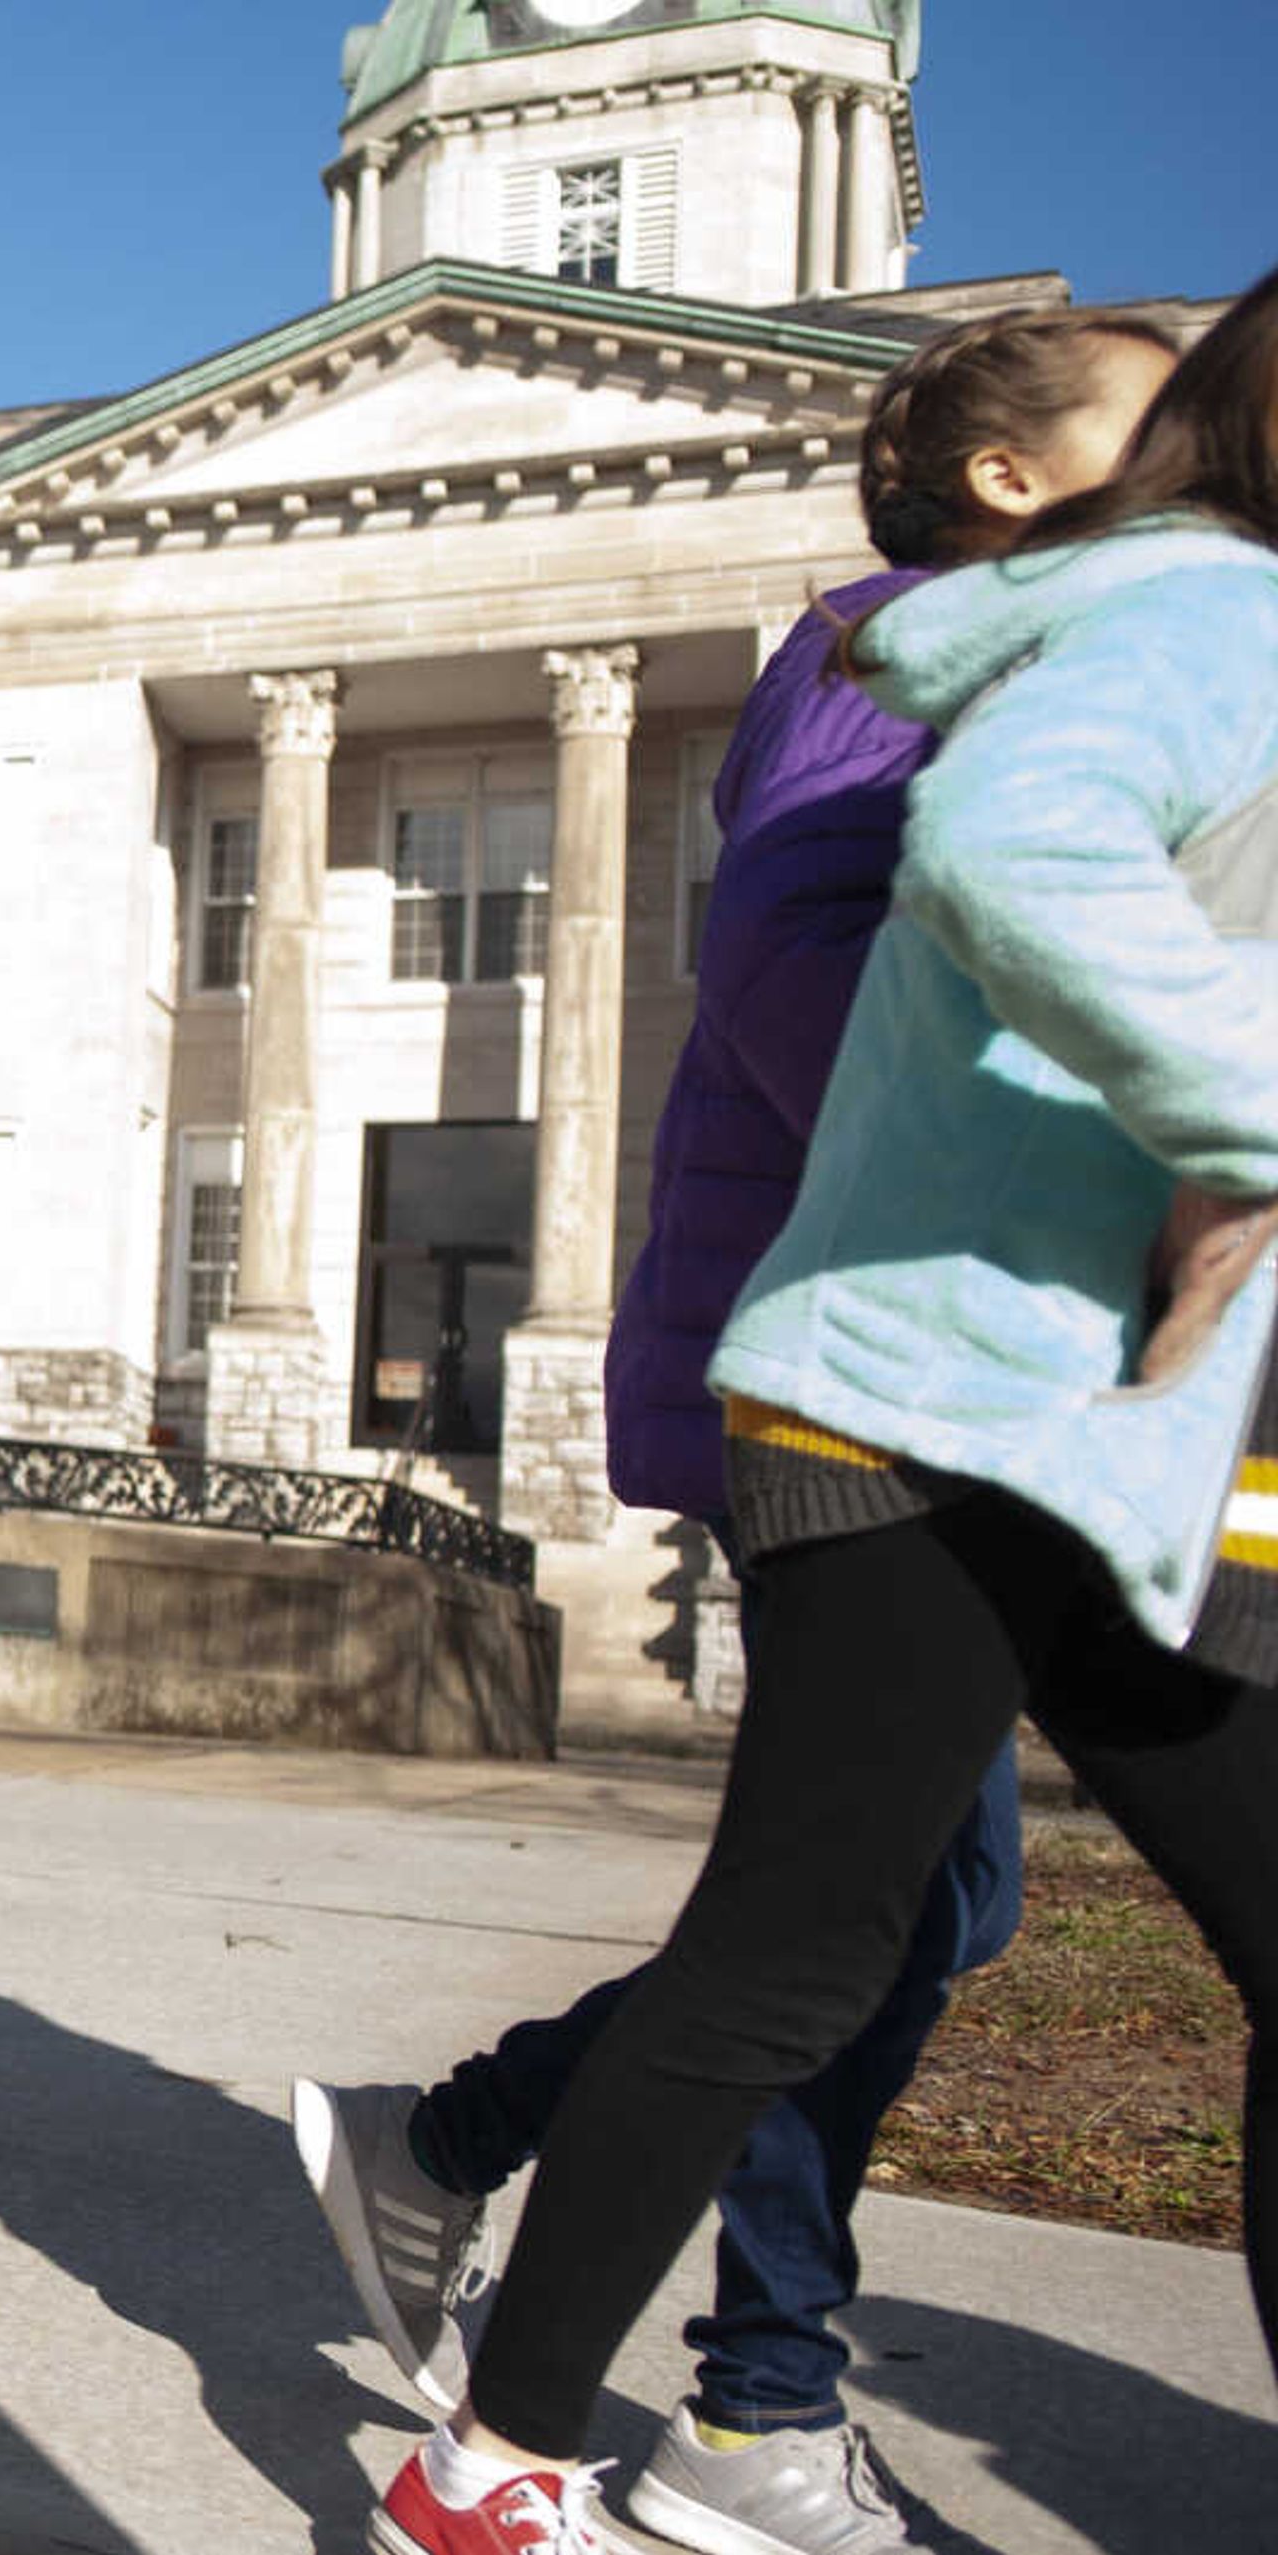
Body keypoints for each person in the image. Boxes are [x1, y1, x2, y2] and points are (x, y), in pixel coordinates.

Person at [364, 265, 1278, 2555]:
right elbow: (939, 901)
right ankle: (525, 2445)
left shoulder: (1117, 632)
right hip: (914, 1398)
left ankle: (528, 2272)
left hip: (1086, 1427)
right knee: (808, 1945)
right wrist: (1242, 1124)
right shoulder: (1164, 631)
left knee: (858, 1929)